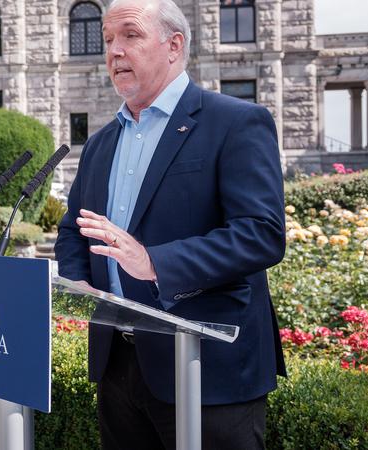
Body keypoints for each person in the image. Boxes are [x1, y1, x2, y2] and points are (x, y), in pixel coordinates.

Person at [54, 0, 286, 448]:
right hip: (118, 367)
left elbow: (261, 233)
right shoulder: (100, 143)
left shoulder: (235, 122)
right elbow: (73, 229)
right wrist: (78, 283)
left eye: (130, 35)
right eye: (108, 39)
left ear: (174, 45)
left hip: (207, 369)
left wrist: (154, 262)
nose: (114, 51)